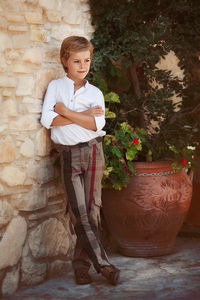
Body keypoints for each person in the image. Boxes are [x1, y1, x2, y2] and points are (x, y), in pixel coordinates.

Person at [41, 36, 120, 285]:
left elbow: (97, 124)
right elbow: (47, 120)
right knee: (79, 212)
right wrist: (82, 115)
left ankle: (81, 267)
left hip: (94, 152)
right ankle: (104, 266)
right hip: (69, 154)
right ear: (65, 60)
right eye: (76, 61)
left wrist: (64, 111)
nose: (83, 65)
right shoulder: (55, 87)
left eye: (86, 60)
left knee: (92, 210)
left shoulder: (95, 92)